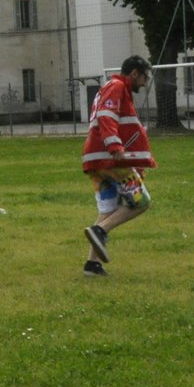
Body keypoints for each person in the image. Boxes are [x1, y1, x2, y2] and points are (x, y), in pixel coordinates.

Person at [80, 56, 157, 277]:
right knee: (141, 202)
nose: (144, 83)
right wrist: (114, 146)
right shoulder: (116, 87)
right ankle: (100, 231)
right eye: (144, 77)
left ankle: (92, 265)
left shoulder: (114, 89)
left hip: (97, 159)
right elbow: (107, 117)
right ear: (134, 73)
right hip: (109, 158)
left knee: (108, 210)